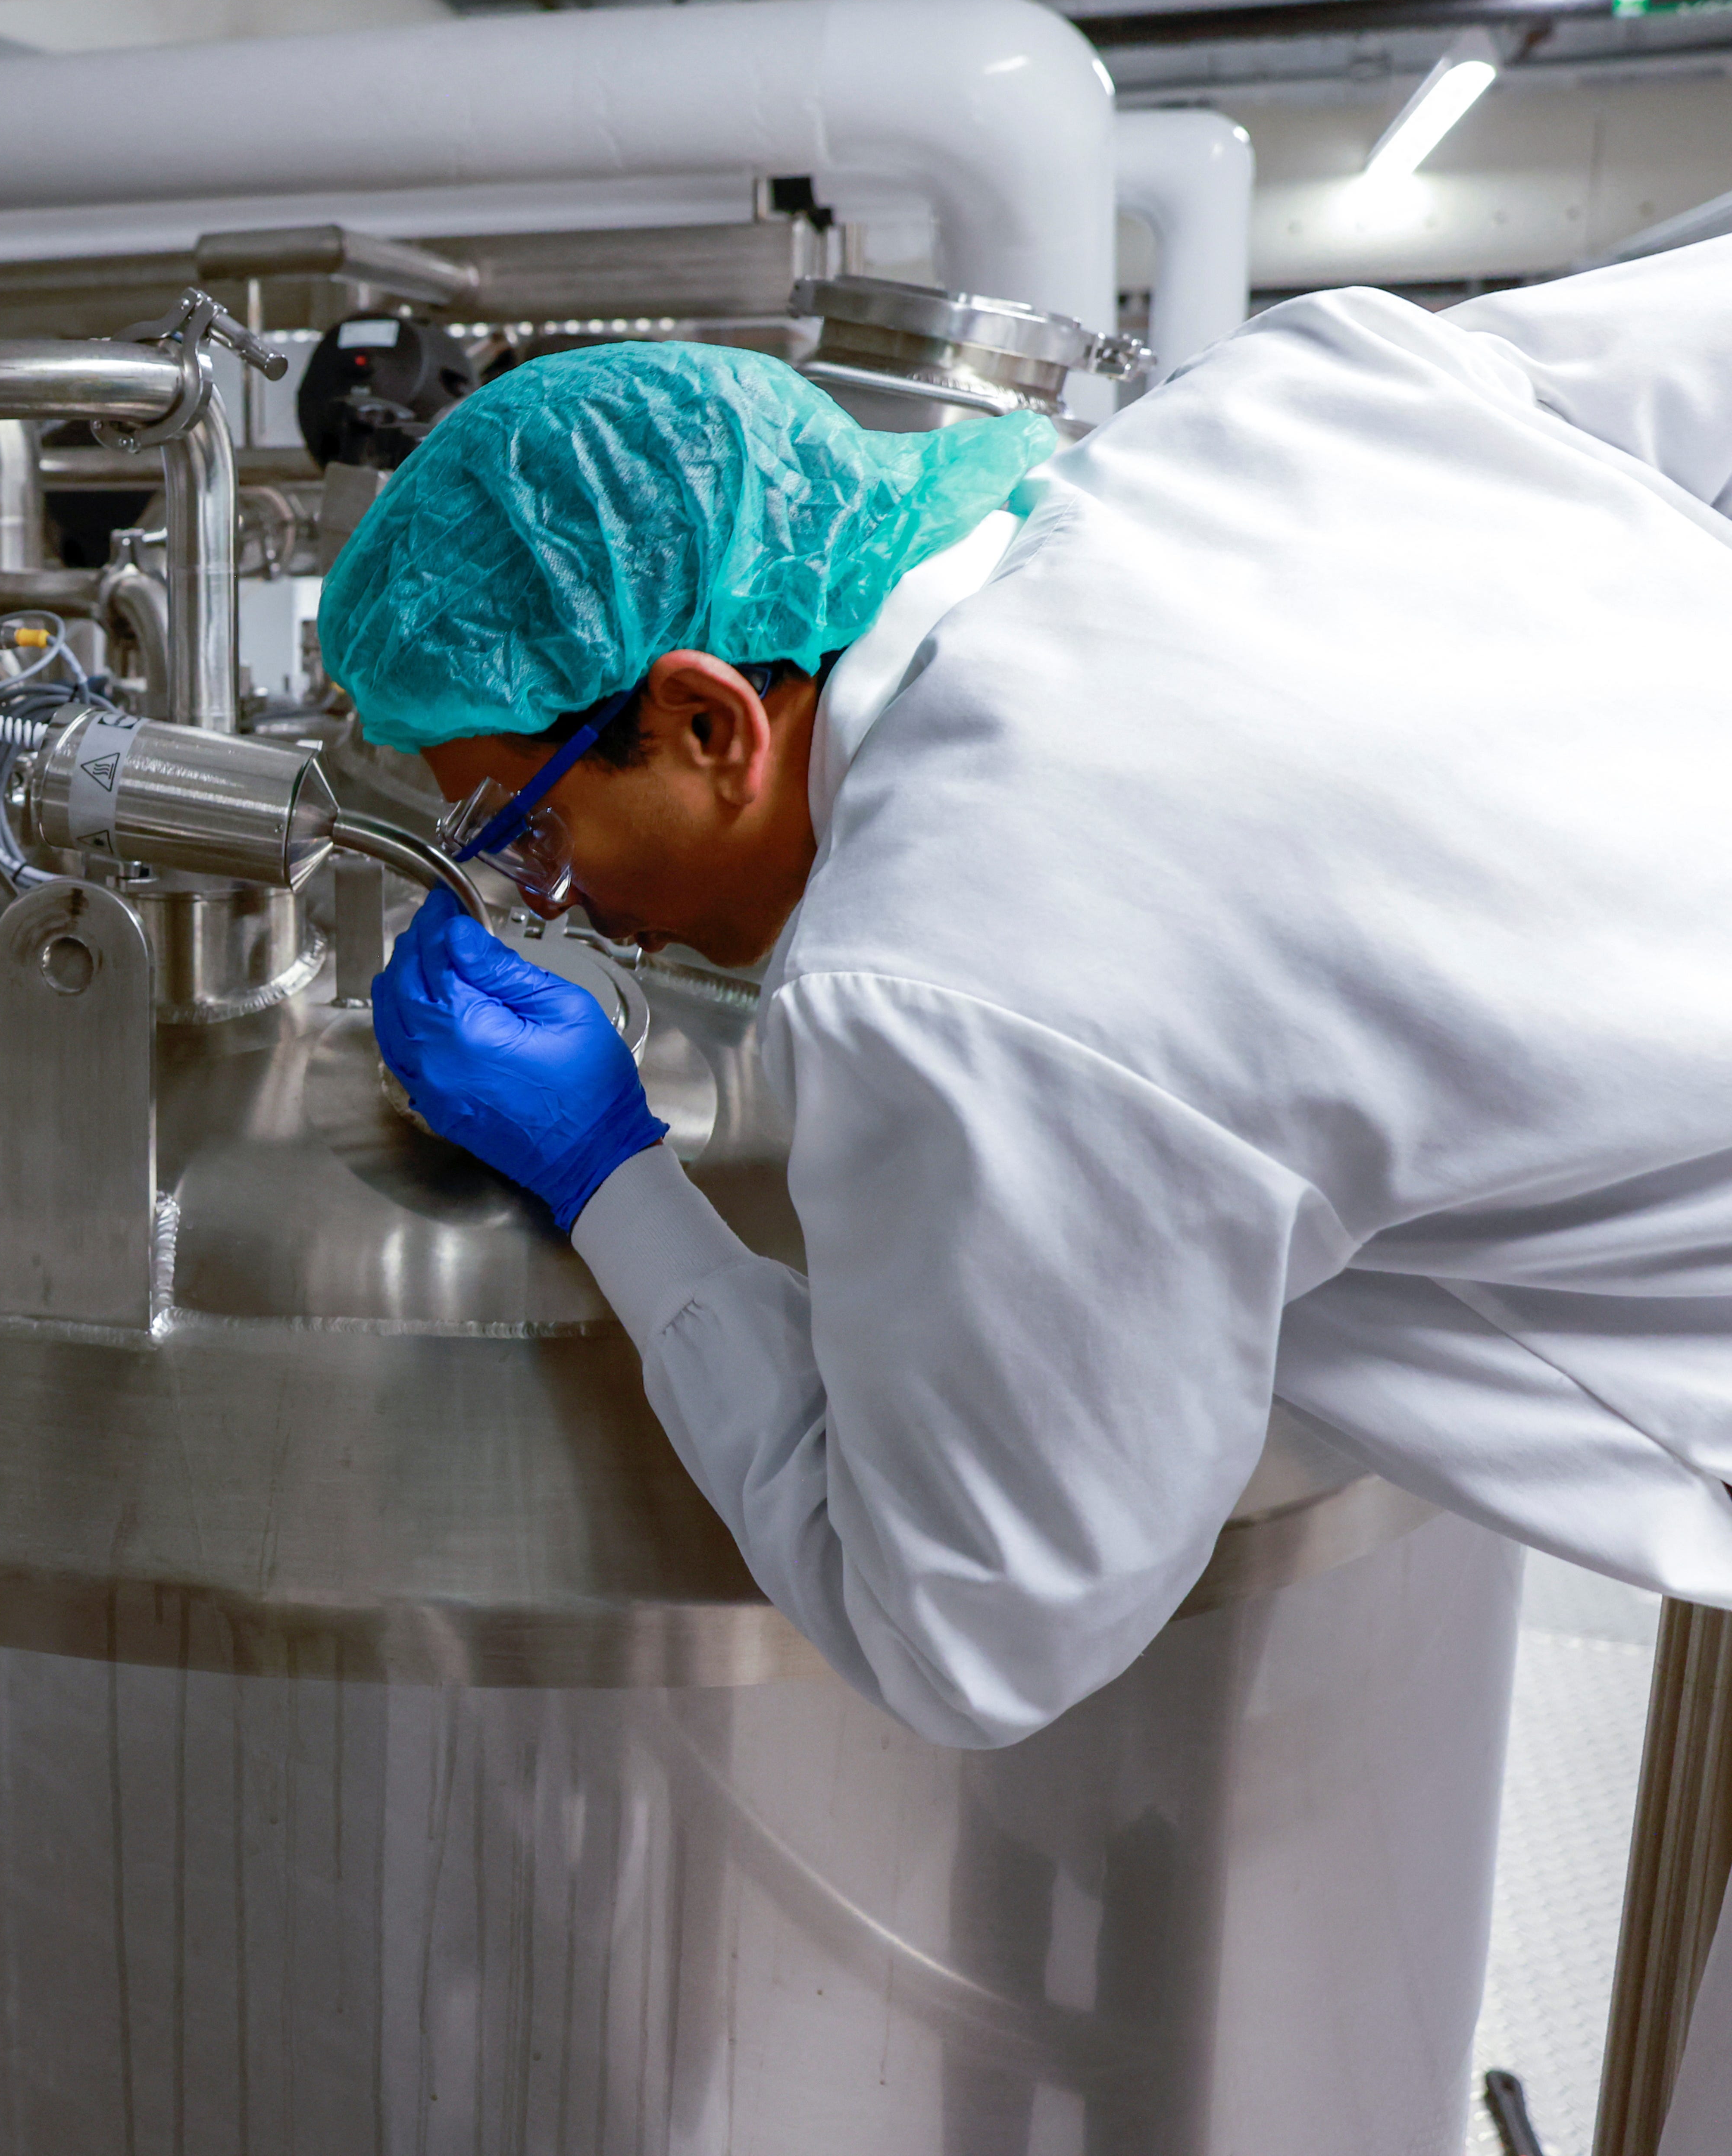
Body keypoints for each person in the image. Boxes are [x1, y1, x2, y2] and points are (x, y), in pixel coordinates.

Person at [322, 238, 1732, 1756]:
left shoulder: (943, 979)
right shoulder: (1309, 390)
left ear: (705, 720)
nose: (541, 894)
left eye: (524, 828)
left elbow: (971, 1635)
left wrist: (609, 1176)